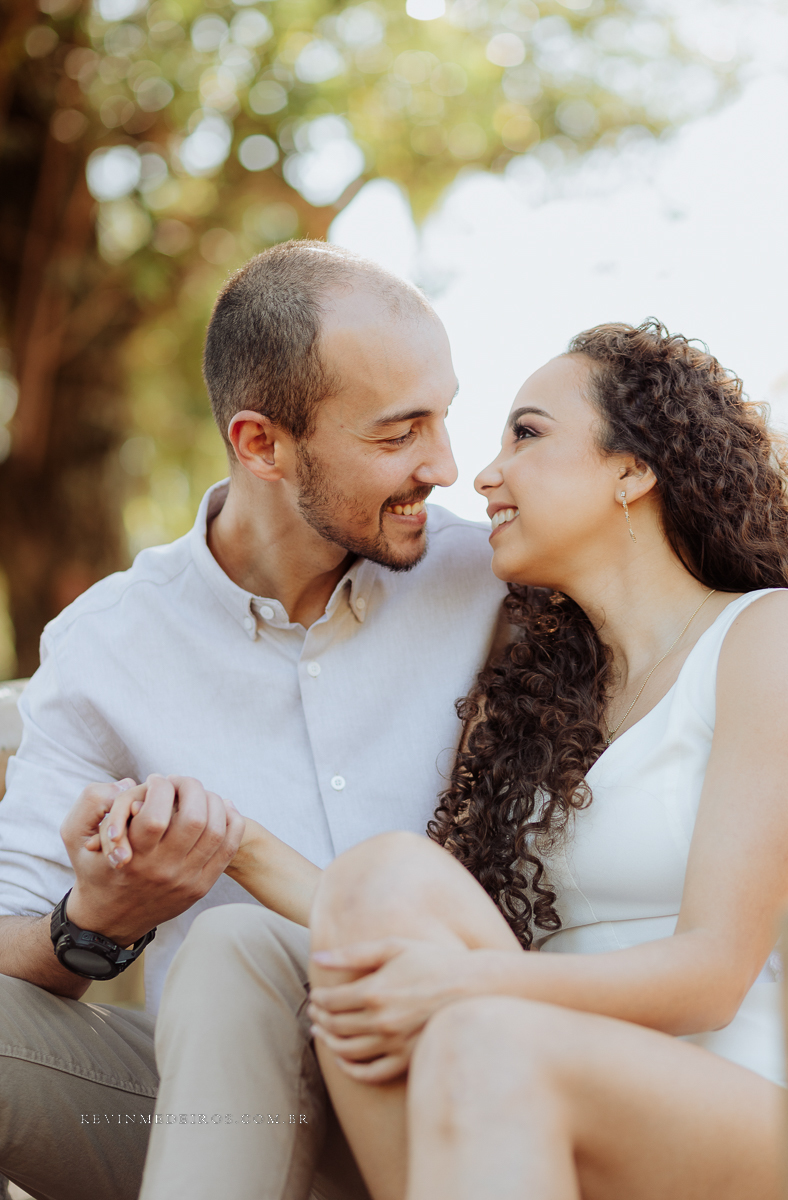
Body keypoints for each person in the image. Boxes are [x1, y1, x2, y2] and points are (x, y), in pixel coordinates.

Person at [98, 320, 788, 1199]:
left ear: (631, 469)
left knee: (480, 1034)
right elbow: (384, 923)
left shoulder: (771, 638)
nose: (482, 475)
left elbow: (714, 975)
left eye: (526, 435)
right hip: (516, 1074)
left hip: (758, 1108)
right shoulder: (538, 698)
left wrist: (462, 983)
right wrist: (225, 838)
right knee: (263, 933)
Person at [0, 242, 507, 1200]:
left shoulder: (494, 583)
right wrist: (99, 920)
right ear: (261, 444)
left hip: (453, 1075)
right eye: (398, 434)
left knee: (234, 941)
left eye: (442, 416)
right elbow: (11, 938)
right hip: (209, 1102)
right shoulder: (108, 644)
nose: (444, 466)